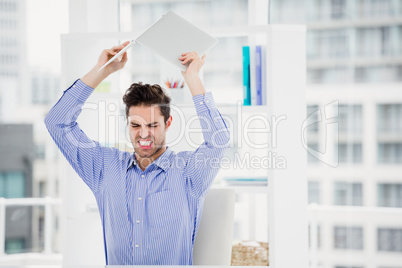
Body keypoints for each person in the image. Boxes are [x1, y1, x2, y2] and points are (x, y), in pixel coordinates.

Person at [44, 41, 230, 265]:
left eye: (152, 125)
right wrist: (100, 72)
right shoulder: (105, 167)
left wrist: (192, 79)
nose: (143, 134)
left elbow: (219, 140)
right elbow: (56, 122)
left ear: (168, 122)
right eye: (135, 125)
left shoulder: (189, 172)